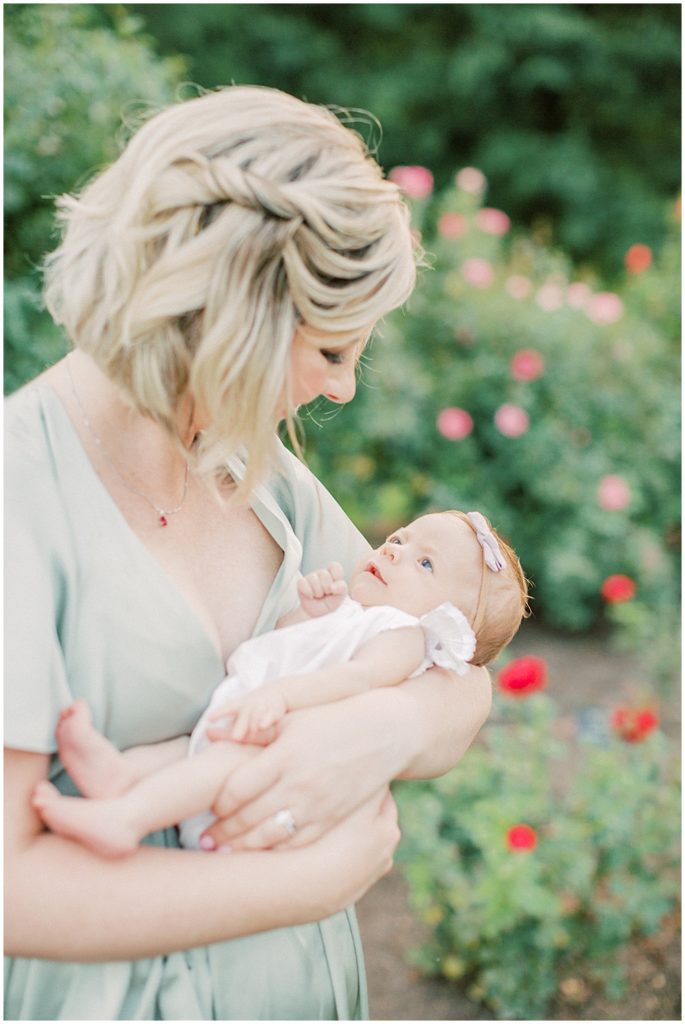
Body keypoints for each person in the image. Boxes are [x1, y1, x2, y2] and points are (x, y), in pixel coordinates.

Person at [5, 85, 493, 1021]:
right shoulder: (16, 497)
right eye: (332, 351)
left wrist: (370, 733)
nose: (342, 391)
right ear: (236, 325)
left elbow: (451, 667)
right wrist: (308, 885)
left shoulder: (257, 476)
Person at [32, 510, 527, 859]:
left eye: (425, 563)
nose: (395, 552)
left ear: (446, 622)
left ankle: (129, 818)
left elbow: (354, 678)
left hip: (275, 737)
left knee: (216, 764)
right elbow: (290, 647)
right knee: (188, 751)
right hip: (253, 712)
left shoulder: (404, 638)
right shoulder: (356, 614)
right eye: (401, 537)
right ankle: (119, 775)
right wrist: (310, 614)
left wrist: (279, 696)